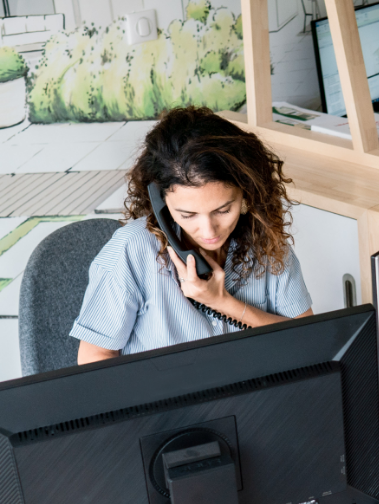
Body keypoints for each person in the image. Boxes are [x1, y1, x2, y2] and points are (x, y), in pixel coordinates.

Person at [73, 107, 313, 363]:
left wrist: (223, 303)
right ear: (160, 203)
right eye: (188, 215)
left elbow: (308, 341)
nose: (209, 231)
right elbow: (95, 358)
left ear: (246, 193)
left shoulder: (266, 243)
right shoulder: (132, 250)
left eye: (223, 210)